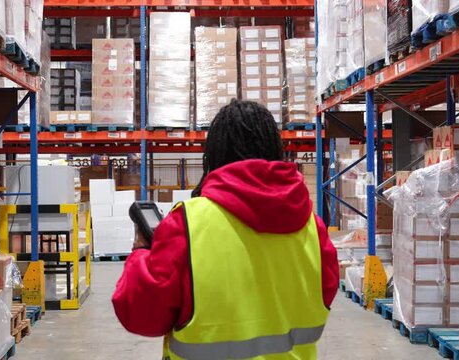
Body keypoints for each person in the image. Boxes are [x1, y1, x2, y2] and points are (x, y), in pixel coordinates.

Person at [113, 99, 339, 359]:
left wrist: (141, 252)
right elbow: (323, 296)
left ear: (215, 154)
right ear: (275, 148)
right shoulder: (313, 228)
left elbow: (141, 315)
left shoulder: (187, 224)